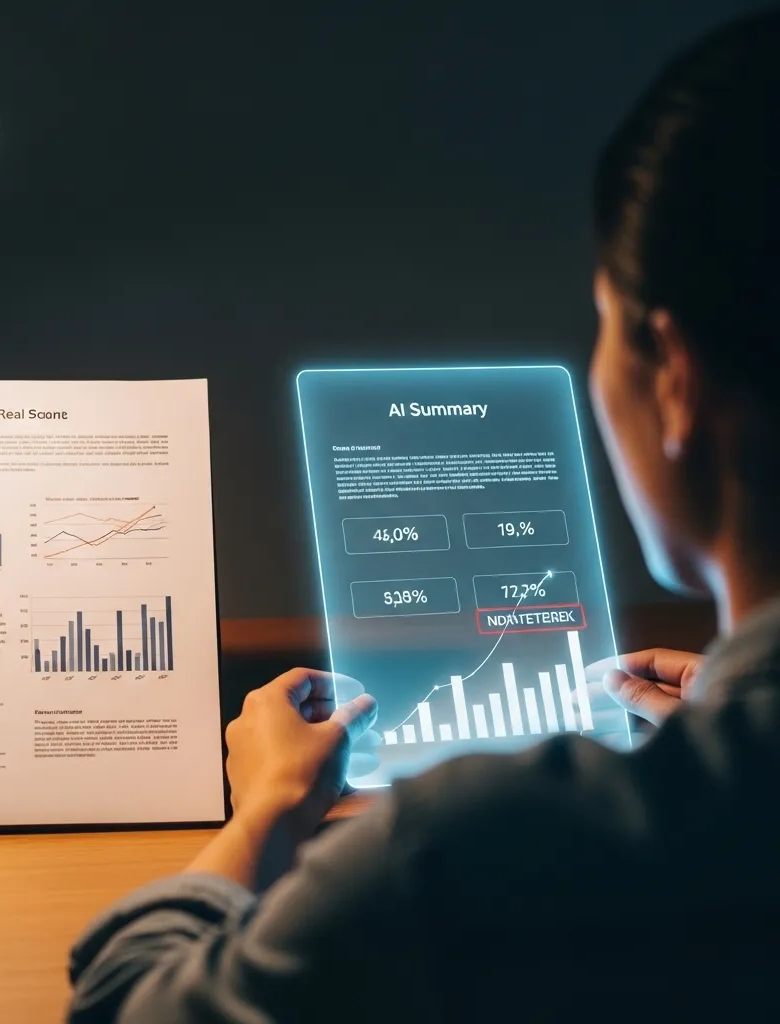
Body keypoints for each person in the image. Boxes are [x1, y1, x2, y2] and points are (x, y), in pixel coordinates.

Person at [67, 10, 780, 1021]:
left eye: (607, 327)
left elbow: (127, 1008)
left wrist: (267, 809)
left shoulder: (467, 848)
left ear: (675, 378)